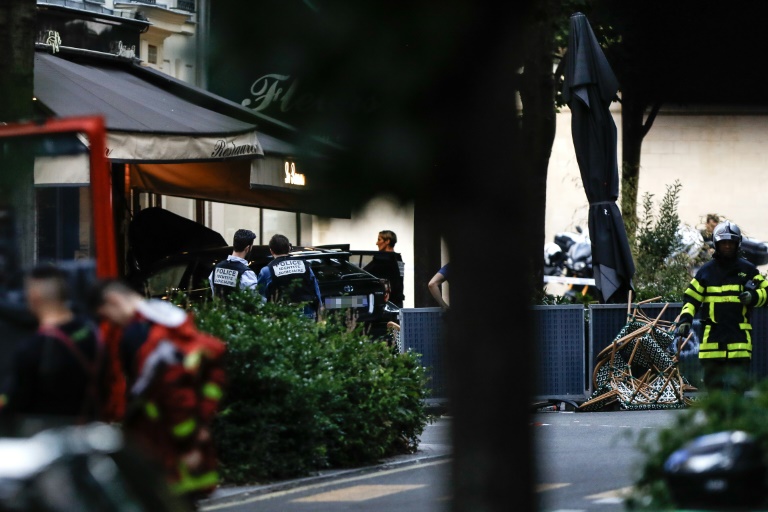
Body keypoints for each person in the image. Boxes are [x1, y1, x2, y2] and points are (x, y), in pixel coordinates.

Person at [88, 279, 226, 504]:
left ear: (113, 301)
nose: (109, 322)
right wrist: (199, 426)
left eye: (105, 315)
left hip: (162, 442)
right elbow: (206, 380)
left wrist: (187, 441)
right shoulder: (169, 321)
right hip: (177, 437)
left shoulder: (138, 334)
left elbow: (172, 393)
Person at [0, 264, 107, 425]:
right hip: (91, 435)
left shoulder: (33, 349)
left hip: (49, 442)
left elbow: (12, 403)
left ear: (34, 297)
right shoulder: (92, 330)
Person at [676, 221, 768, 393]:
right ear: (717, 245)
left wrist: (753, 297)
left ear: (737, 244)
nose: (727, 246)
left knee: (737, 393)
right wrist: (685, 320)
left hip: (739, 344)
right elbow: (691, 298)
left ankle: (736, 420)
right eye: (723, 243)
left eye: (730, 243)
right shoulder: (706, 272)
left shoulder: (748, 270)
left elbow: (766, 292)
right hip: (712, 343)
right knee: (714, 394)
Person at [257, 234, 323, 319]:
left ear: (271, 251)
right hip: (306, 312)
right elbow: (315, 289)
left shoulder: (267, 270)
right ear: (289, 248)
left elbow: (260, 295)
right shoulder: (304, 265)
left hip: (281, 316)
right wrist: (319, 309)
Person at [209, 228, 258, 299]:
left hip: (219, 309)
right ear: (247, 248)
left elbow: (214, 293)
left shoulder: (216, 268)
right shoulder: (247, 273)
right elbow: (252, 301)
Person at [363, 230, 405, 308]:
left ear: (387, 241)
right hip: (397, 302)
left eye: (379, 240)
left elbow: (364, 273)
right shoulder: (398, 258)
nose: (377, 243)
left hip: (383, 302)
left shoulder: (381, 259)